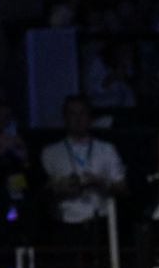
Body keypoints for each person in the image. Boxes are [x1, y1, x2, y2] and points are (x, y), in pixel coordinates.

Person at [39, 95, 126, 231]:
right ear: (65, 118)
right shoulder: (51, 152)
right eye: (72, 114)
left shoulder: (107, 149)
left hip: (100, 221)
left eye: (82, 113)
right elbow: (42, 192)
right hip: (66, 223)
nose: (78, 119)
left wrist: (101, 183)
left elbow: (122, 188)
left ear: (89, 117)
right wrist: (61, 188)